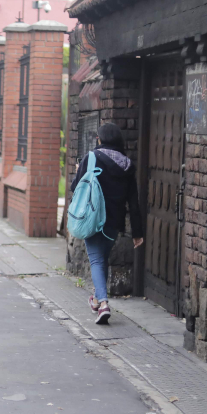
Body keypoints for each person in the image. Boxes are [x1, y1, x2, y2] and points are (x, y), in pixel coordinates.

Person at [70, 123, 144, 324]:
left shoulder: (91, 158)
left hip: (93, 218)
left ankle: (103, 304)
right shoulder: (127, 164)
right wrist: (137, 232)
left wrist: (79, 172)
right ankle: (95, 299)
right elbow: (133, 201)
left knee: (95, 260)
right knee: (101, 259)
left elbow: (75, 187)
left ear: (100, 140)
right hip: (114, 222)